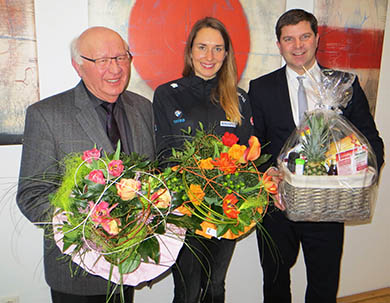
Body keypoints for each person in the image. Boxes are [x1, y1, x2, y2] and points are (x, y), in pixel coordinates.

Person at [248, 9, 384, 303]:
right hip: (277, 207)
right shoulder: (260, 89)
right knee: (274, 282)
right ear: (279, 44)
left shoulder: (344, 85)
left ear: (317, 38)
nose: (298, 46)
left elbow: (372, 143)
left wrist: (361, 175)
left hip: (328, 207)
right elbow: (255, 148)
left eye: (305, 36)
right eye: (289, 39)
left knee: (324, 284)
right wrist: (266, 178)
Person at [16, 26, 155, 303]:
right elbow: (31, 195)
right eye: (103, 61)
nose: (115, 69)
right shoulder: (46, 115)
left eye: (121, 58)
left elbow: (150, 177)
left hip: (128, 267)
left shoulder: (142, 107)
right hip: (75, 275)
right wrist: (87, 224)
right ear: (78, 66)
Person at [153, 17, 253, 303]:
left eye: (218, 49)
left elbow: (247, 157)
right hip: (185, 210)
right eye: (202, 47)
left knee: (215, 287)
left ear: (226, 54)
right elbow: (163, 154)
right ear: (190, 51)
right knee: (186, 291)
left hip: (228, 209)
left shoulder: (240, 98)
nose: (209, 56)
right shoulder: (167, 94)